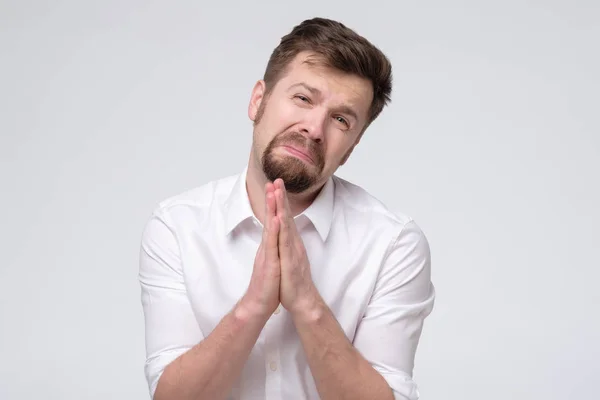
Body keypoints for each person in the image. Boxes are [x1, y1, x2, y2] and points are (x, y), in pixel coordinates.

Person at [139, 17, 435, 400]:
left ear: (352, 148)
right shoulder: (176, 227)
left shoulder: (393, 244)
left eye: (341, 119)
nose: (314, 128)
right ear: (258, 100)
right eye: (303, 99)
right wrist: (253, 307)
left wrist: (307, 303)